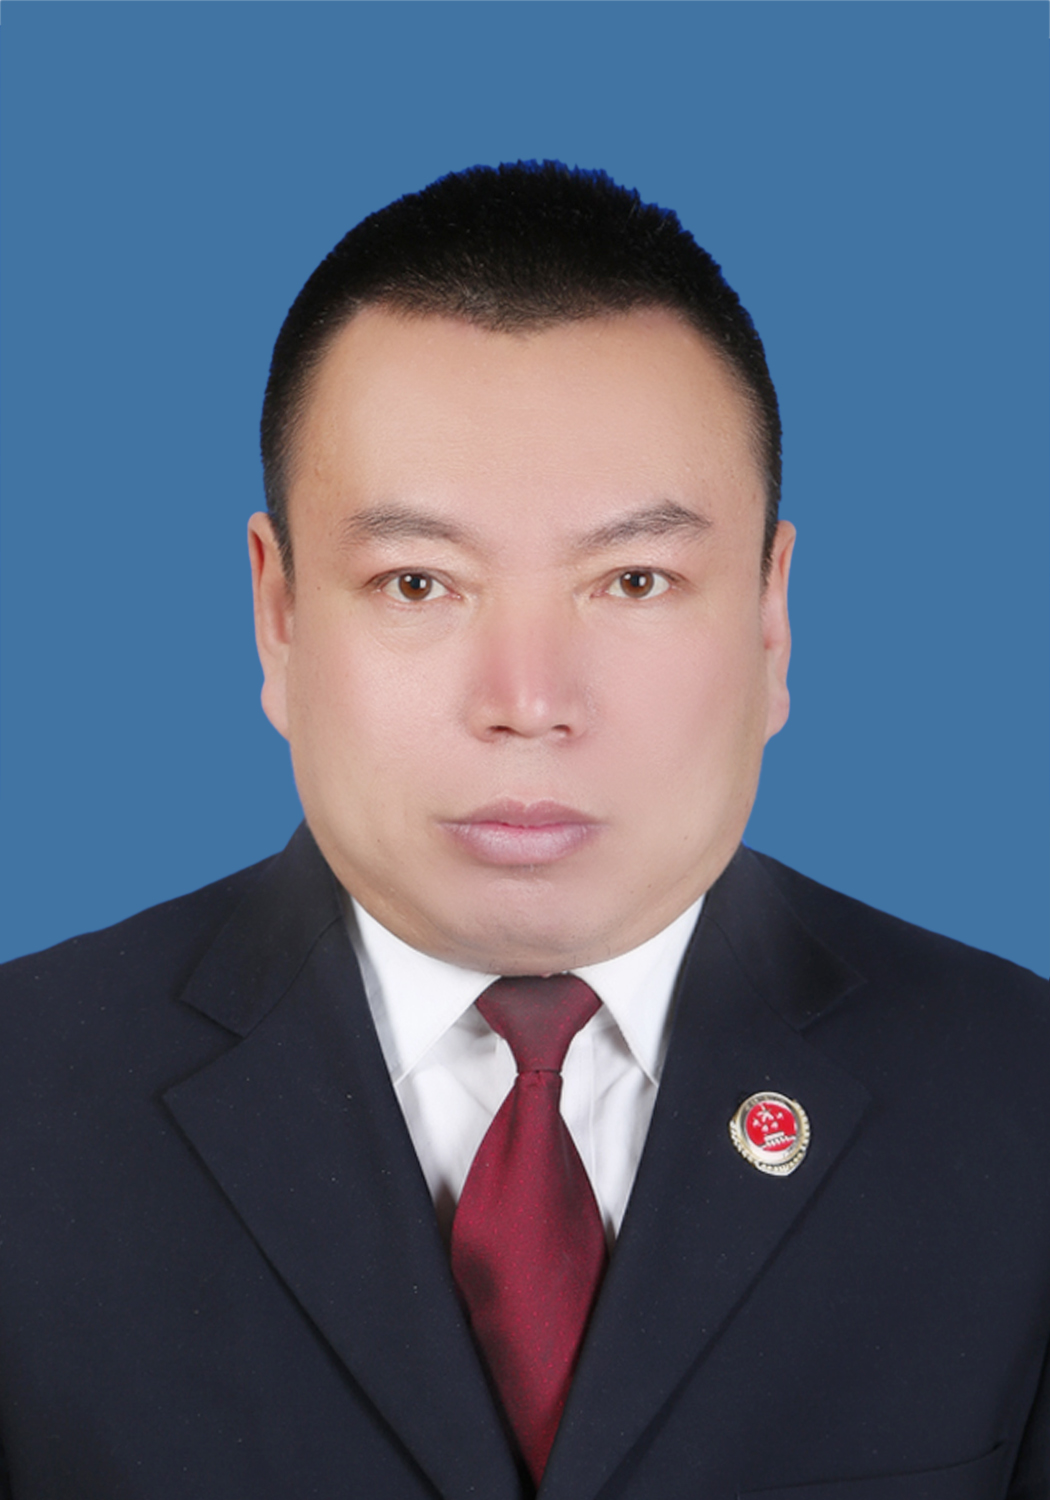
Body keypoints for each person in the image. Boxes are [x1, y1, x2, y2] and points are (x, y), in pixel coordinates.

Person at [0, 161, 1046, 1500]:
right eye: (417, 582)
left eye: (634, 579)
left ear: (770, 617)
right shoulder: (24, 1104)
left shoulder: (1020, 1104)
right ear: (280, 615)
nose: (529, 700)